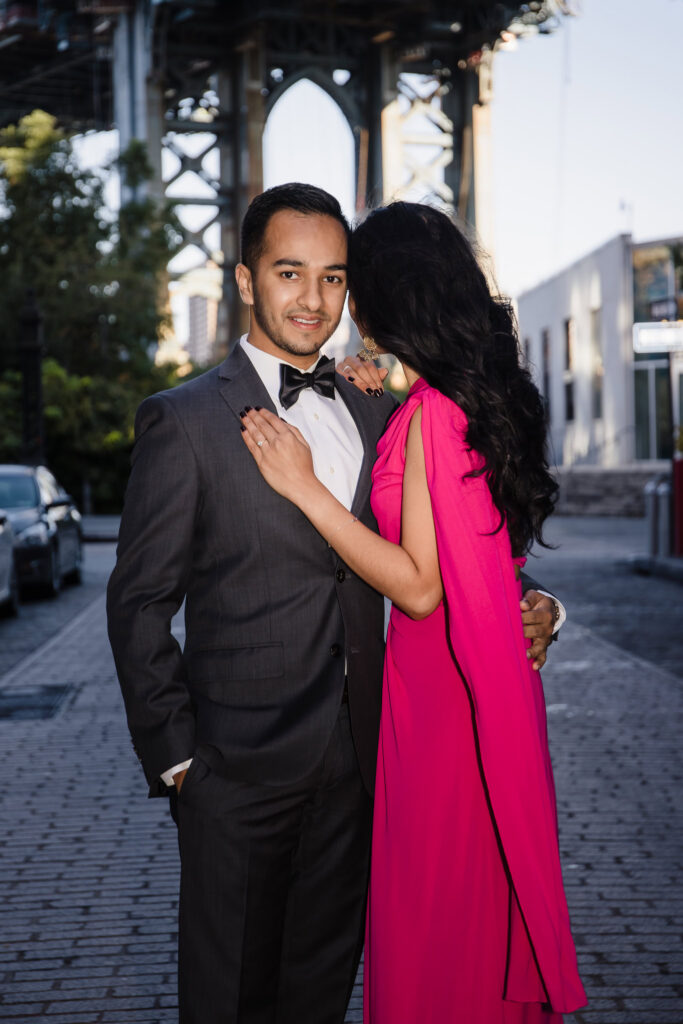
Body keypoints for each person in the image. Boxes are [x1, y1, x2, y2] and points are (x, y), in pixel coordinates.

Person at [106, 183, 563, 1024]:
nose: (312, 299)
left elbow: (451, 540)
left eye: (333, 277)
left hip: (365, 766)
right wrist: (179, 762)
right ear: (246, 281)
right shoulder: (184, 422)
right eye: (289, 273)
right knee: (228, 1003)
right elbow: (137, 602)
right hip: (234, 775)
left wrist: (535, 604)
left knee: (319, 997)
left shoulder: (383, 405)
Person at [239, 201, 587, 1022]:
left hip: (443, 715)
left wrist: (304, 488)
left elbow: (422, 585)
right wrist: (533, 602)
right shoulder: (444, 401)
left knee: (437, 937)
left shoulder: (433, 414)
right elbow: (487, 555)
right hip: (450, 693)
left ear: (381, 296)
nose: (337, 303)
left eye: (348, 283)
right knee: (459, 926)